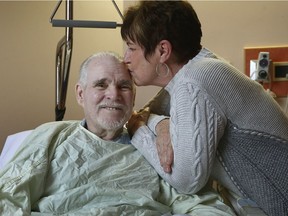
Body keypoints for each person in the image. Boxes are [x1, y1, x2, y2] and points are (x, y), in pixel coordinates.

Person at [0, 52, 235, 215]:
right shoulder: (52, 137)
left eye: (124, 86)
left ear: (133, 96)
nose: (114, 95)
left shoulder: (153, 147)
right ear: (80, 94)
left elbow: (202, 204)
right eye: (101, 85)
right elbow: (9, 197)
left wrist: (160, 124)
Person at [120, 1, 288, 216]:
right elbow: (145, 113)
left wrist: (139, 131)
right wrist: (161, 124)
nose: (126, 58)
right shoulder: (193, 72)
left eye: (132, 48)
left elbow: (186, 180)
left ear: (163, 50)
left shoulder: (197, 80)